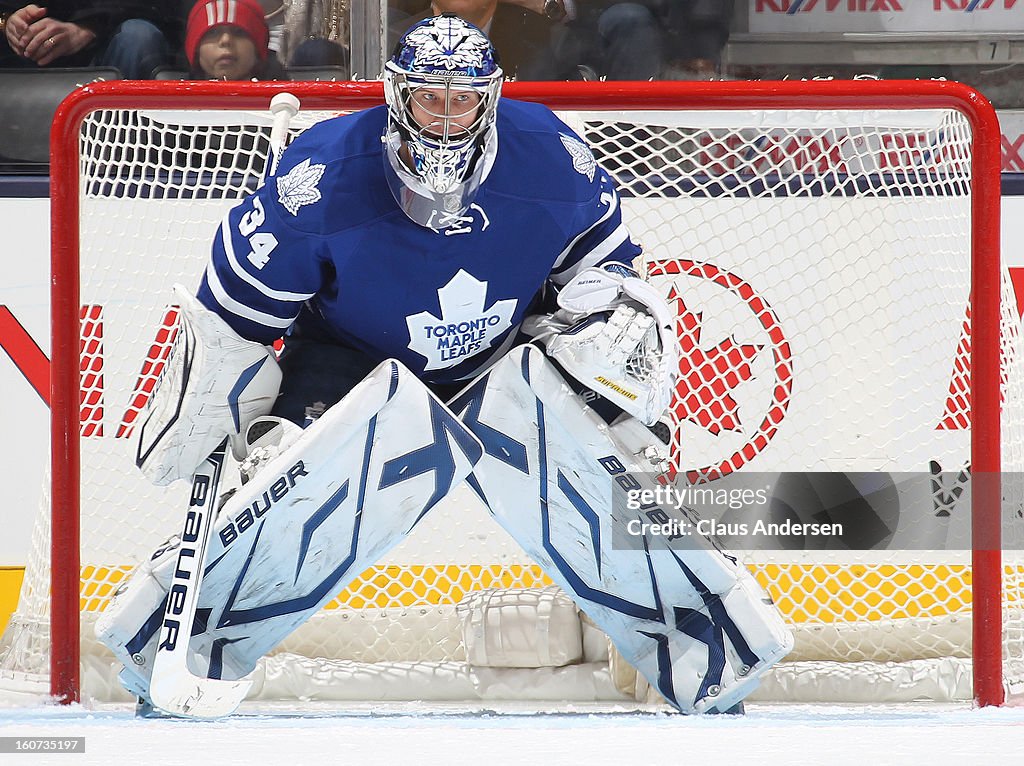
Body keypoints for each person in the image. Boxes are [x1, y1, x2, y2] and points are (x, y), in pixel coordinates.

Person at [97, 14, 791, 718]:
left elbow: (606, 271)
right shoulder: (320, 175)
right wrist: (215, 401)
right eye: (432, 97)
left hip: (504, 351)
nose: (448, 115)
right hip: (350, 359)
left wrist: (609, 357)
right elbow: (232, 322)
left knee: (593, 413)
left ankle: (692, 633)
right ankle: (174, 638)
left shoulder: (549, 152)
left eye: (464, 99)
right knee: (297, 474)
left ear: (490, 96)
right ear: (398, 94)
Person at [0, 2, 182, 79]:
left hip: (111, 44)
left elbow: (160, 9)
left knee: (139, 35)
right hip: (31, 53)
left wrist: (87, 29)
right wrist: (10, 21)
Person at [184, 0, 287, 80]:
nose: (226, 40)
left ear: (257, 48)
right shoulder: (175, 102)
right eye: (213, 33)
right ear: (196, 48)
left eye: (239, 32)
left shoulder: (288, 101)